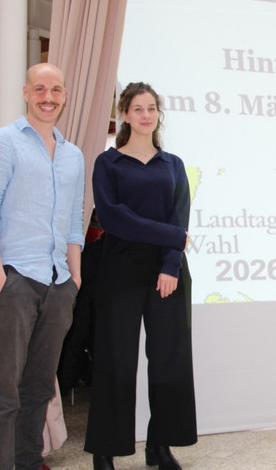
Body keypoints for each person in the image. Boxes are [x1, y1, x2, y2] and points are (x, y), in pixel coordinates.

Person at [0, 62, 85, 470]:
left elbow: (74, 223)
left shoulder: (73, 155)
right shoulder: (2, 142)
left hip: (58, 284)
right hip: (14, 280)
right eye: (40, 89)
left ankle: (28, 463)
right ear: (25, 92)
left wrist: (74, 279)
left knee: (38, 390)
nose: (48, 97)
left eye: (55, 90)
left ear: (65, 96)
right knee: (5, 395)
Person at [84, 82, 196, 470]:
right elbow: (114, 218)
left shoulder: (173, 164)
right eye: (138, 109)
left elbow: (179, 215)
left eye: (151, 109)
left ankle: (160, 445)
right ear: (125, 115)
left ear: (157, 114)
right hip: (120, 267)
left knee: (169, 360)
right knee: (115, 359)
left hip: (168, 271)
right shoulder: (108, 163)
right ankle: (105, 450)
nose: (146, 115)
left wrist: (170, 264)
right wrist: (173, 237)